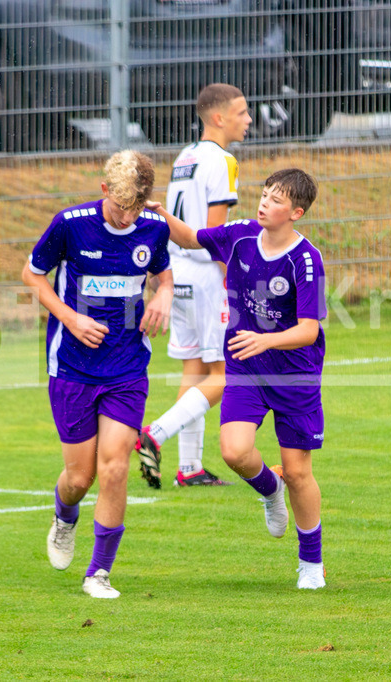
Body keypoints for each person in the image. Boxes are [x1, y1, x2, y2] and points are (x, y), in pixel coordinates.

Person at [144, 168, 328, 589]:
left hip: (295, 375)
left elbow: (309, 330)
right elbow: (191, 238)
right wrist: (160, 216)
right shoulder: (241, 234)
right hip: (247, 367)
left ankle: (311, 565)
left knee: (299, 472)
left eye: (277, 199)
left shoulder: (306, 260)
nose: (264, 203)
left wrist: (267, 340)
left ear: (296, 212)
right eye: (264, 194)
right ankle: (269, 490)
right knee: (234, 451)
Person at [22, 150, 173, 598]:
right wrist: (70, 318)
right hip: (71, 366)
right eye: (120, 206)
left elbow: (163, 275)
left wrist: (163, 294)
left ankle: (99, 573)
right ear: (105, 190)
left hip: (127, 366)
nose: (128, 218)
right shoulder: (70, 224)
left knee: (114, 468)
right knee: (79, 478)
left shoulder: (154, 227)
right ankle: (64, 518)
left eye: (136, 209)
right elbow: (32, 275)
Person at [136, 83, 253, 489]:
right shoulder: (224, 160)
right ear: (219, 118)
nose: (249, 119)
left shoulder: (184, 157)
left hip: (178, 269)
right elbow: (215, 232)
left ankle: (189, 468)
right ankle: (156, 433)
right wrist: (234, 276)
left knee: (194, 367)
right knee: (229, 371)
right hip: (206, 274)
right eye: (242, 112)